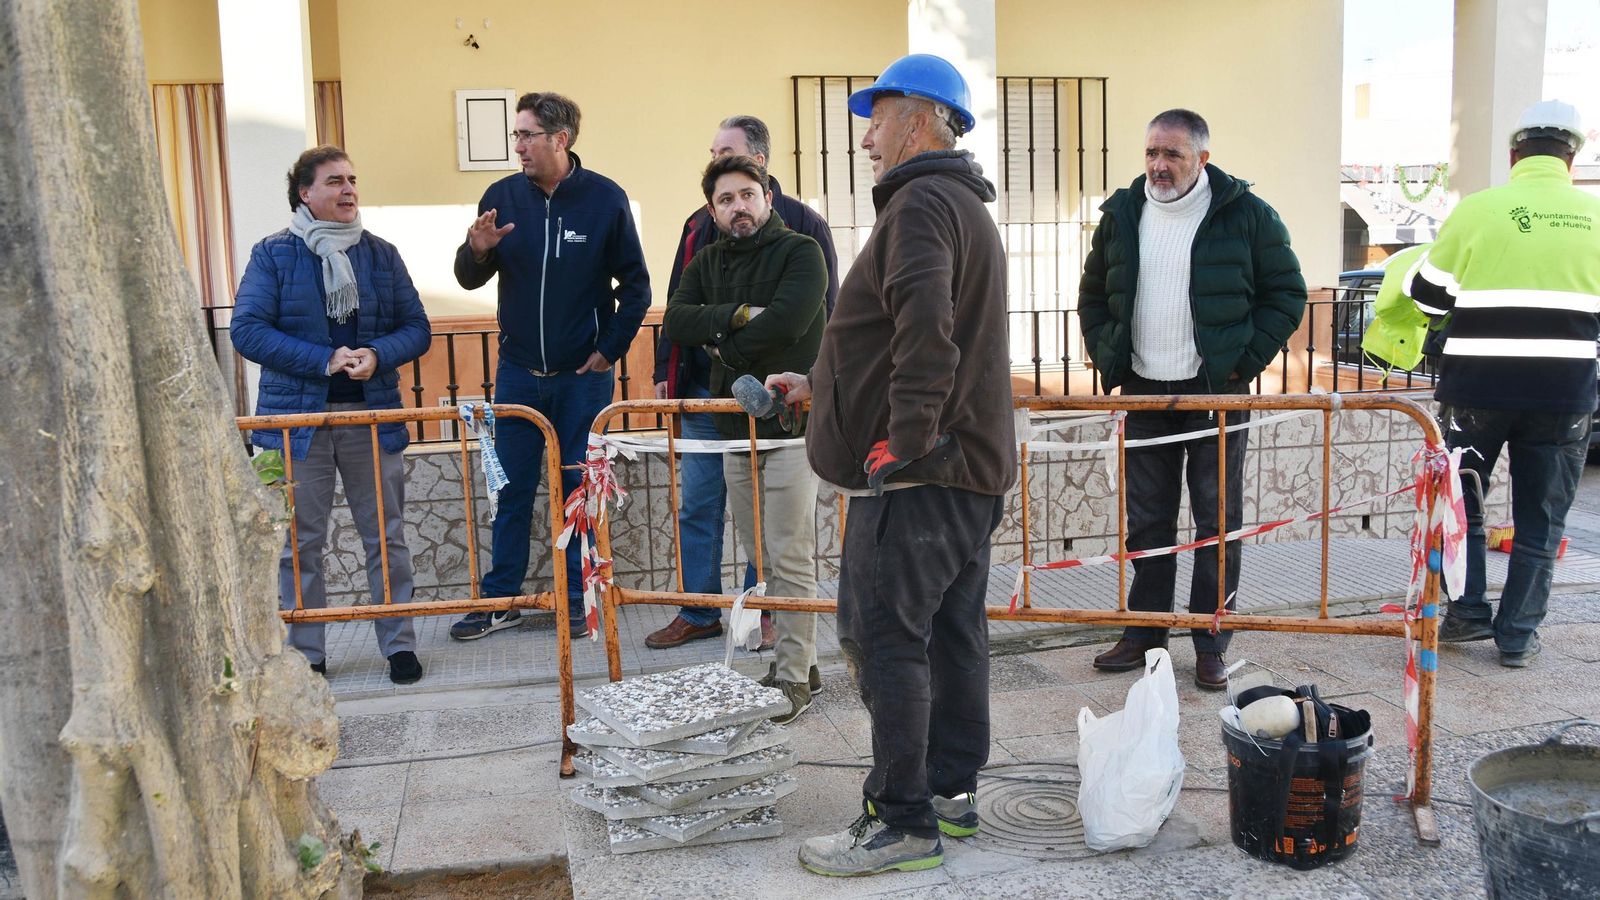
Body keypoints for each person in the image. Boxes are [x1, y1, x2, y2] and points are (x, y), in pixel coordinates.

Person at [768, 53, 1015, 877]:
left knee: (883, 637)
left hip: (920, 477)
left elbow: (926, 332)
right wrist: (823, 384)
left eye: (877, 118)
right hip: (964, 469)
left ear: (918, 118)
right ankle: (949, 791)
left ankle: (901, 820)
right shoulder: (957, 204)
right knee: (951, 634)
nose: (868, 138)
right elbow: (902, 335)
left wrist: (907, 440)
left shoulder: (919, 204)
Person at [1078, 108, 1306, 691]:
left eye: (1172, 154)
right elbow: (1093, 292)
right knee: (1147, 522)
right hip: (1144, 392)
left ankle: (1210, 640)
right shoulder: (1123, 214)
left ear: (1202, 158)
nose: (1159, 165)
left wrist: (1239, 364)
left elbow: (1286, 294)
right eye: (1151, 152)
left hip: (1215, 393)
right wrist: (1108, 351)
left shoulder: (1247, 214)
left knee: (1217, 523)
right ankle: (1145, 632)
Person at [449, 92, 650, 641]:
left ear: (560, 139)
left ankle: (578, 599)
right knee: (510, 489)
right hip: (517, 373)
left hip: (582, 378)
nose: (517, 146)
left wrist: (609, 348)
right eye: (516, 135)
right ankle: (502, 601)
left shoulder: (605, 200)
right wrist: (477, 249)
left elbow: (636, 286)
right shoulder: (501, 197)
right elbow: (469, 277)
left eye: (526, 135)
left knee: (576, 490)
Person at [232, 145, 431, 685]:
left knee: (386, 537)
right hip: (296, 425)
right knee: (299, 543)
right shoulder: (272, 254)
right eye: (335, 181)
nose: (349, 190)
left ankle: (399, 644)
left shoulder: (381, 254)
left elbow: (417, 327)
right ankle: (307, 653)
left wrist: (378, 355)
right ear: (305, 193)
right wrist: (324, 360)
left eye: (352, 179)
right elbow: (247, 330)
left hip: (371, 418)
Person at [1412, 100, 1600, 668]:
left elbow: (1428, 297)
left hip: (1478, 390)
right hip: (1563, 395)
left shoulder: (1479, 210)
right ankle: (1517, 637)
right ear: (1571, 158)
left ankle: (1468, 613)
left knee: (1463, 504)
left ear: (1515, 155)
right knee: (1542, 519)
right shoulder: (1594, 215)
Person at [645, 115, 839, 656]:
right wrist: (735, 317)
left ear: (765, 184)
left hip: (785, 414)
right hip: (716, 406)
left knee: (783, 543)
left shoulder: (803, 237)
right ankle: (699, 612)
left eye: (746, 193)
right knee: (702, 510)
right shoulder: (700, 240)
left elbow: (799, 319)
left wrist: (722, 346)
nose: (737, 205)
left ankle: (777, 631)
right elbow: (677, 316)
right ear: (713, 208)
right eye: (725, 198)